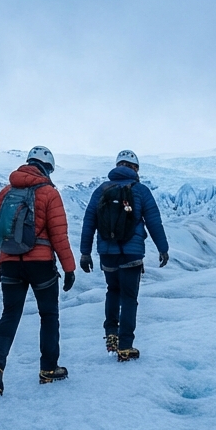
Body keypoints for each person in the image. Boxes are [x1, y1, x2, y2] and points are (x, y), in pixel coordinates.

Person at [0, 146, 77, 395]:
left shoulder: (5, 193)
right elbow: (59, 236)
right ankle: (48, 368)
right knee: (48, 315)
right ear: (47, 169)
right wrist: (69, 268)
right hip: (41, 265)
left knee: (10, 315)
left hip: (10, 264)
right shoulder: (49, 192)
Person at [79, 150, 169, 361]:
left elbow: (89, 222)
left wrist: (85, 253)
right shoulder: (141, 190)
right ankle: (125, 346)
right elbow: (154, 221)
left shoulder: (101, 190)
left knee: (112, 290)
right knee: (129, 298)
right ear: (135, 168)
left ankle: (111, 333)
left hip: (107, 253)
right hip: (132, 253)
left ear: (117, 166)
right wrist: (163, 248)